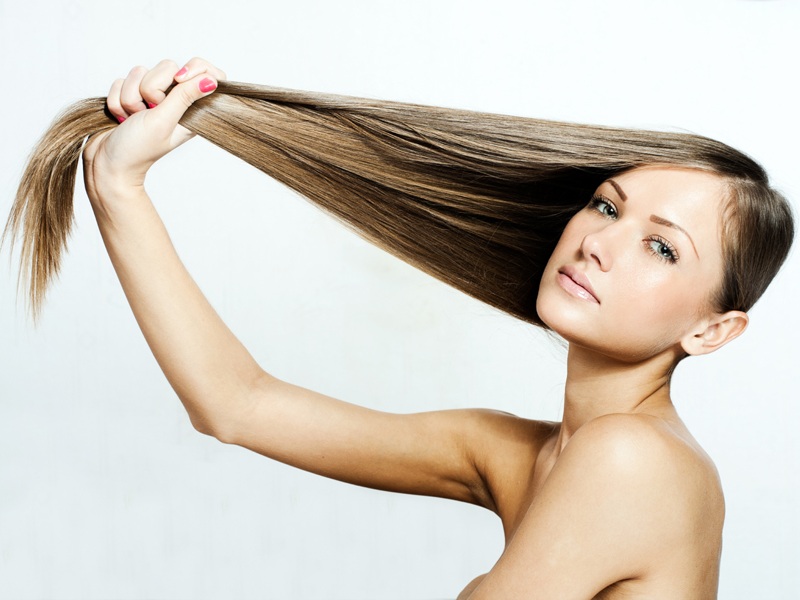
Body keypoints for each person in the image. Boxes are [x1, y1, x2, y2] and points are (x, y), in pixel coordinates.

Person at [10, 57, 795, 599]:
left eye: (662, 248)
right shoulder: (518, 451)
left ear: (714, 332)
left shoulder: (634, 459)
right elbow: (237, 404)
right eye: (606, 205)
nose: (599, 242)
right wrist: (117, 185)